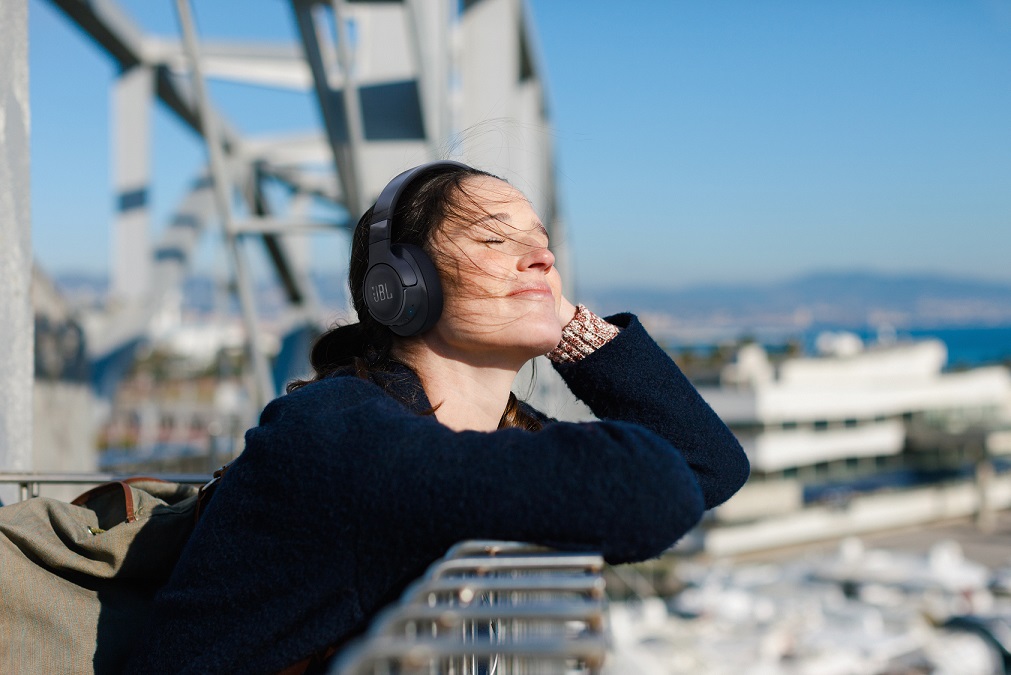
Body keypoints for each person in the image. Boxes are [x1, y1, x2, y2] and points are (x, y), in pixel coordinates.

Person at [128, 161, 750, 673]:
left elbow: (709, 466)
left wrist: (564, 322)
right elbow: (650, 489)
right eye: (493, 239)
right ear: (400, 282)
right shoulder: (336, 429)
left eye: (542, 245)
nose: (540, 259)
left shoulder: (479, 432)